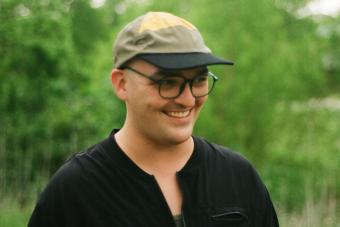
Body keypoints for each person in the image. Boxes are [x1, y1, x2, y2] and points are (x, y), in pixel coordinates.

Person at [28, 11, 279, 227]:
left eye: (199, 80)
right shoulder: (75, 192)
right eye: (168, 82)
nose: (188, 99)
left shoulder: (238, 177)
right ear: (121, 83)